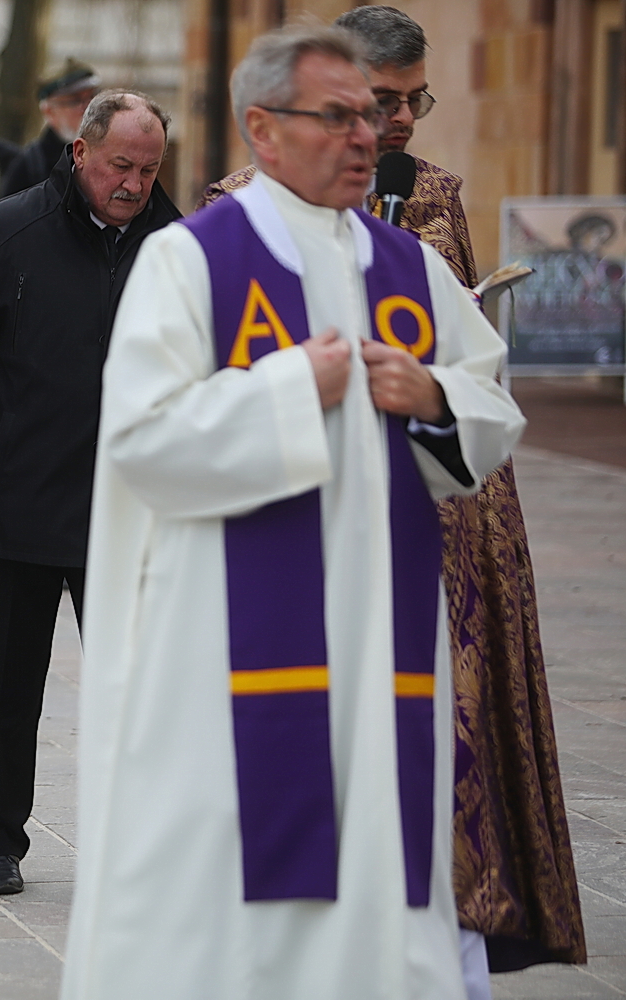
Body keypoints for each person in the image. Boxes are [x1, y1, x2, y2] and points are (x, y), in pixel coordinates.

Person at [61, 26, 527, 999]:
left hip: (379, 637)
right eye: (338, 116)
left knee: (374, 851)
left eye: (374, 113)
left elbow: (490, 404)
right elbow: (139, 440)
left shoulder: (409, 268)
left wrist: (433, 397)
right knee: (230, 878)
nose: (367, 135)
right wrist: (285, 389)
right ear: (263, 129)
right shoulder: (188, 263)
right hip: (223, 644)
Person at [201, 7, 587, 991]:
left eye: (416, 100)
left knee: (444, 734)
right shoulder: (234, 221)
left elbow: (470, 357)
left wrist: (442, 388)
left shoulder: (435, 196)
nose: (400, 121)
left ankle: (458, 916)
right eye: (381, 100)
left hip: (440, 508)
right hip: (304, 510)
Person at [0, 90, 181, 895]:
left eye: (148, 169)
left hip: (133, 512)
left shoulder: (180, 248)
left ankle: (144, 843)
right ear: (79, 152)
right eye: (119, 165)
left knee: (143, 689)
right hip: (12, 506)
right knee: (1, 688)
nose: (133, 184)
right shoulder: (0, 234)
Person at [0, 59, 100, 198]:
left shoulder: (109, 151)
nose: (88, 107)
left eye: (93, 97)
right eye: (75, 100)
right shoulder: (30, 166)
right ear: (49, 111)